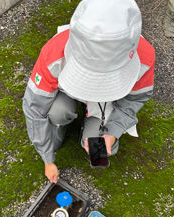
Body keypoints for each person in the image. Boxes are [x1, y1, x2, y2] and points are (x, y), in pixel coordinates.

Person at [23, 0, 155, 183]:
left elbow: (135, 100)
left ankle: (91, 127)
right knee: (58, 113)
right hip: (67, 93)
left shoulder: (145, 57)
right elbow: (34, 107)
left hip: (106, 104)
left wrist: (112, 132)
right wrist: (47, 158)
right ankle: (60, 127)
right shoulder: (54, 53)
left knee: (102, 151)